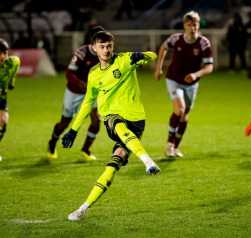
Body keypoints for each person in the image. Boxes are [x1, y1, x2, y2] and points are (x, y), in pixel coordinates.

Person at [61, 31, 160, 221]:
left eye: (109, 46)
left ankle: (84, 207)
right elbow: (87, 103)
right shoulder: (94, 74)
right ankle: (148, 162)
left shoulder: (125, 60)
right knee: (115, 121)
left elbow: (153, 55)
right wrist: (74, 130)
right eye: (102, 47)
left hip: (137, 119)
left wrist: (145, 55)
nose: (106, 50)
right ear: (94, 48)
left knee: (111, 167)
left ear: (113, 46)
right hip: (111, 118)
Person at [154, 11, 214, 157]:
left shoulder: (203, 42)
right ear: (184, 26)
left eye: (195, 24)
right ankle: (169, 145)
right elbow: (163, 47)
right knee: (179, 109)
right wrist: (159, 68)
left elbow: (209, 66)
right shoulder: (176, 39)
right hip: (173, 79)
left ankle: (175, 147)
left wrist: (196, 74)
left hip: (192, 84)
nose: (192, 28)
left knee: (185, 115)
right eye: (189, 25)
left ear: (198, 25)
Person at [47, 25, 104, 161]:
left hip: (91, 94)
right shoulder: (82, 53)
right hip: (74, 92)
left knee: (96, 122)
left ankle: (85, 149)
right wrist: (81, 84)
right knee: (65, 122)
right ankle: (52, 143)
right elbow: (69, 73)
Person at [0, 39, 21, 161]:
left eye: (5, 52)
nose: (4, 56)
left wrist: (12, 82)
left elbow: (13, 72)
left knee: (3, 122)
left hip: (2, 97)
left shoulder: (13, 62)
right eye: (1, 53)